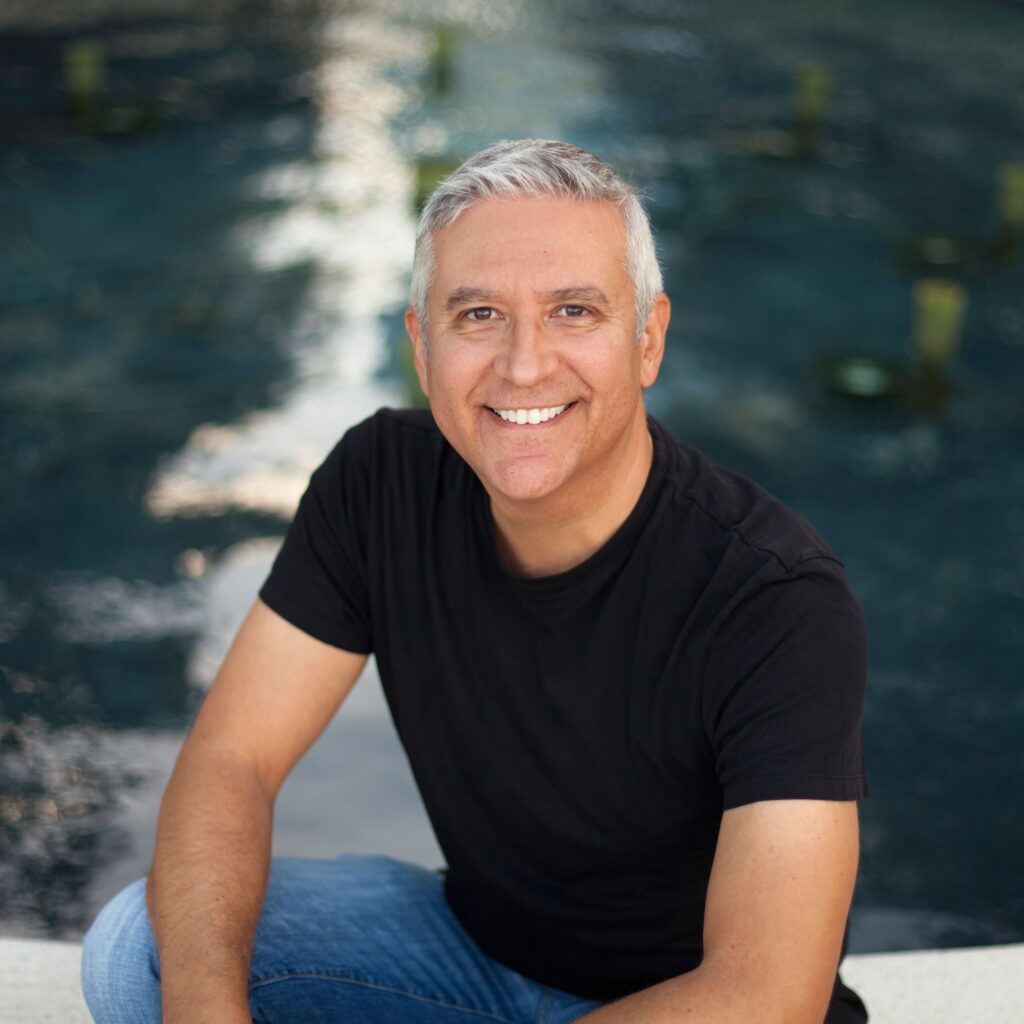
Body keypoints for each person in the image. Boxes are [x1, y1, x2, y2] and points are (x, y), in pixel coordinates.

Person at [81, 139, 869, 1024]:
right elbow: (232, 758)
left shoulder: (776, 600)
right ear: (423, 345)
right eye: (479, 315)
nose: (524, 364)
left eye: (574, 311)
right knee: (140, 956)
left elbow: (766, 994)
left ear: (647, 339)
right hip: (469, 960)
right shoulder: (381, 481)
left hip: (686, 1009)